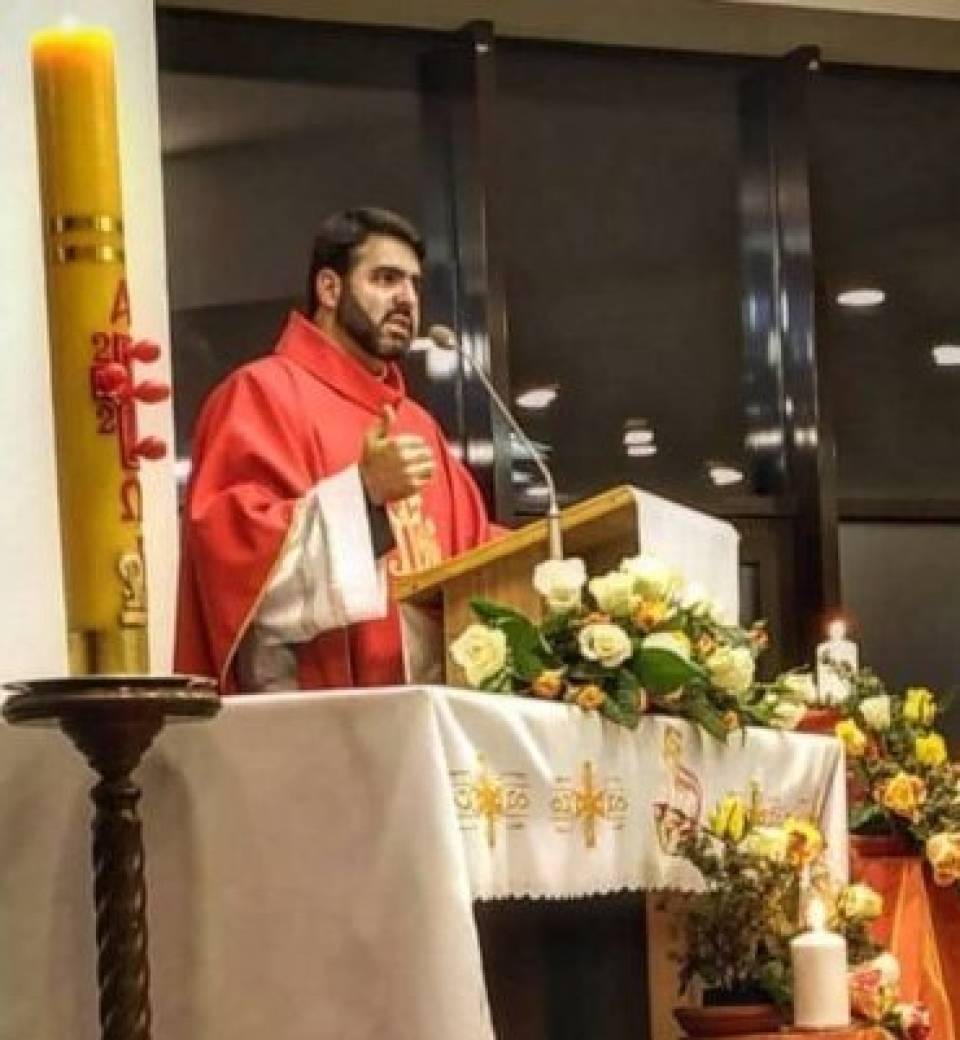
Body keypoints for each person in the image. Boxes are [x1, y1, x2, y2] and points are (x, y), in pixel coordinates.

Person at [175, 207, 495, 693]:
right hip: (317, 723)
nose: (407, 299)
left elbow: (478, 552)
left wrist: (567, 566)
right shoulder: (261, 393)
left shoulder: (418, 425)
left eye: (413, 284)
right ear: (330, 289)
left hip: (423, 717)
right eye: (386, 279)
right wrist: (363, 495)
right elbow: (233, 559)